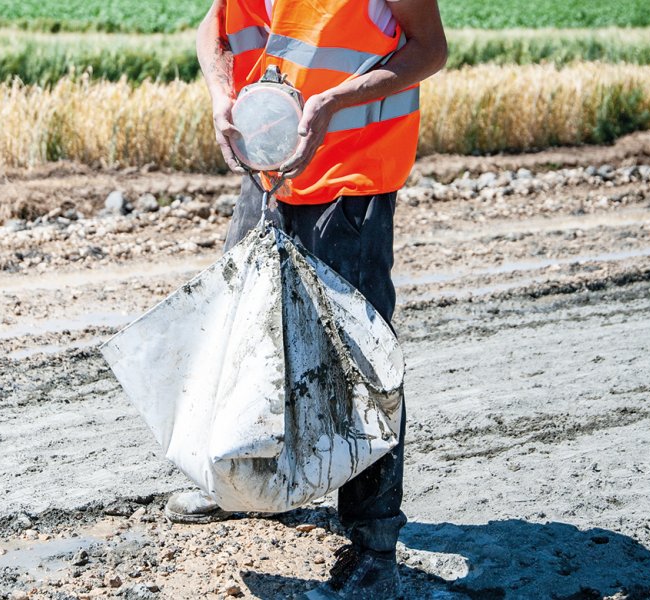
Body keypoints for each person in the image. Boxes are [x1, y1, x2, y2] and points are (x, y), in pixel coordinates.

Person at [166, 0, 447, 597]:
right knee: (242, 326)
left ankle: (374, 541)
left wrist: (331, 102)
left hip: (353, 176)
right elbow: (213, 29)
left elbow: (429, 48)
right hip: (270, 170)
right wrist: (222, 97)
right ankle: (242, 484)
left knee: (359, 355)